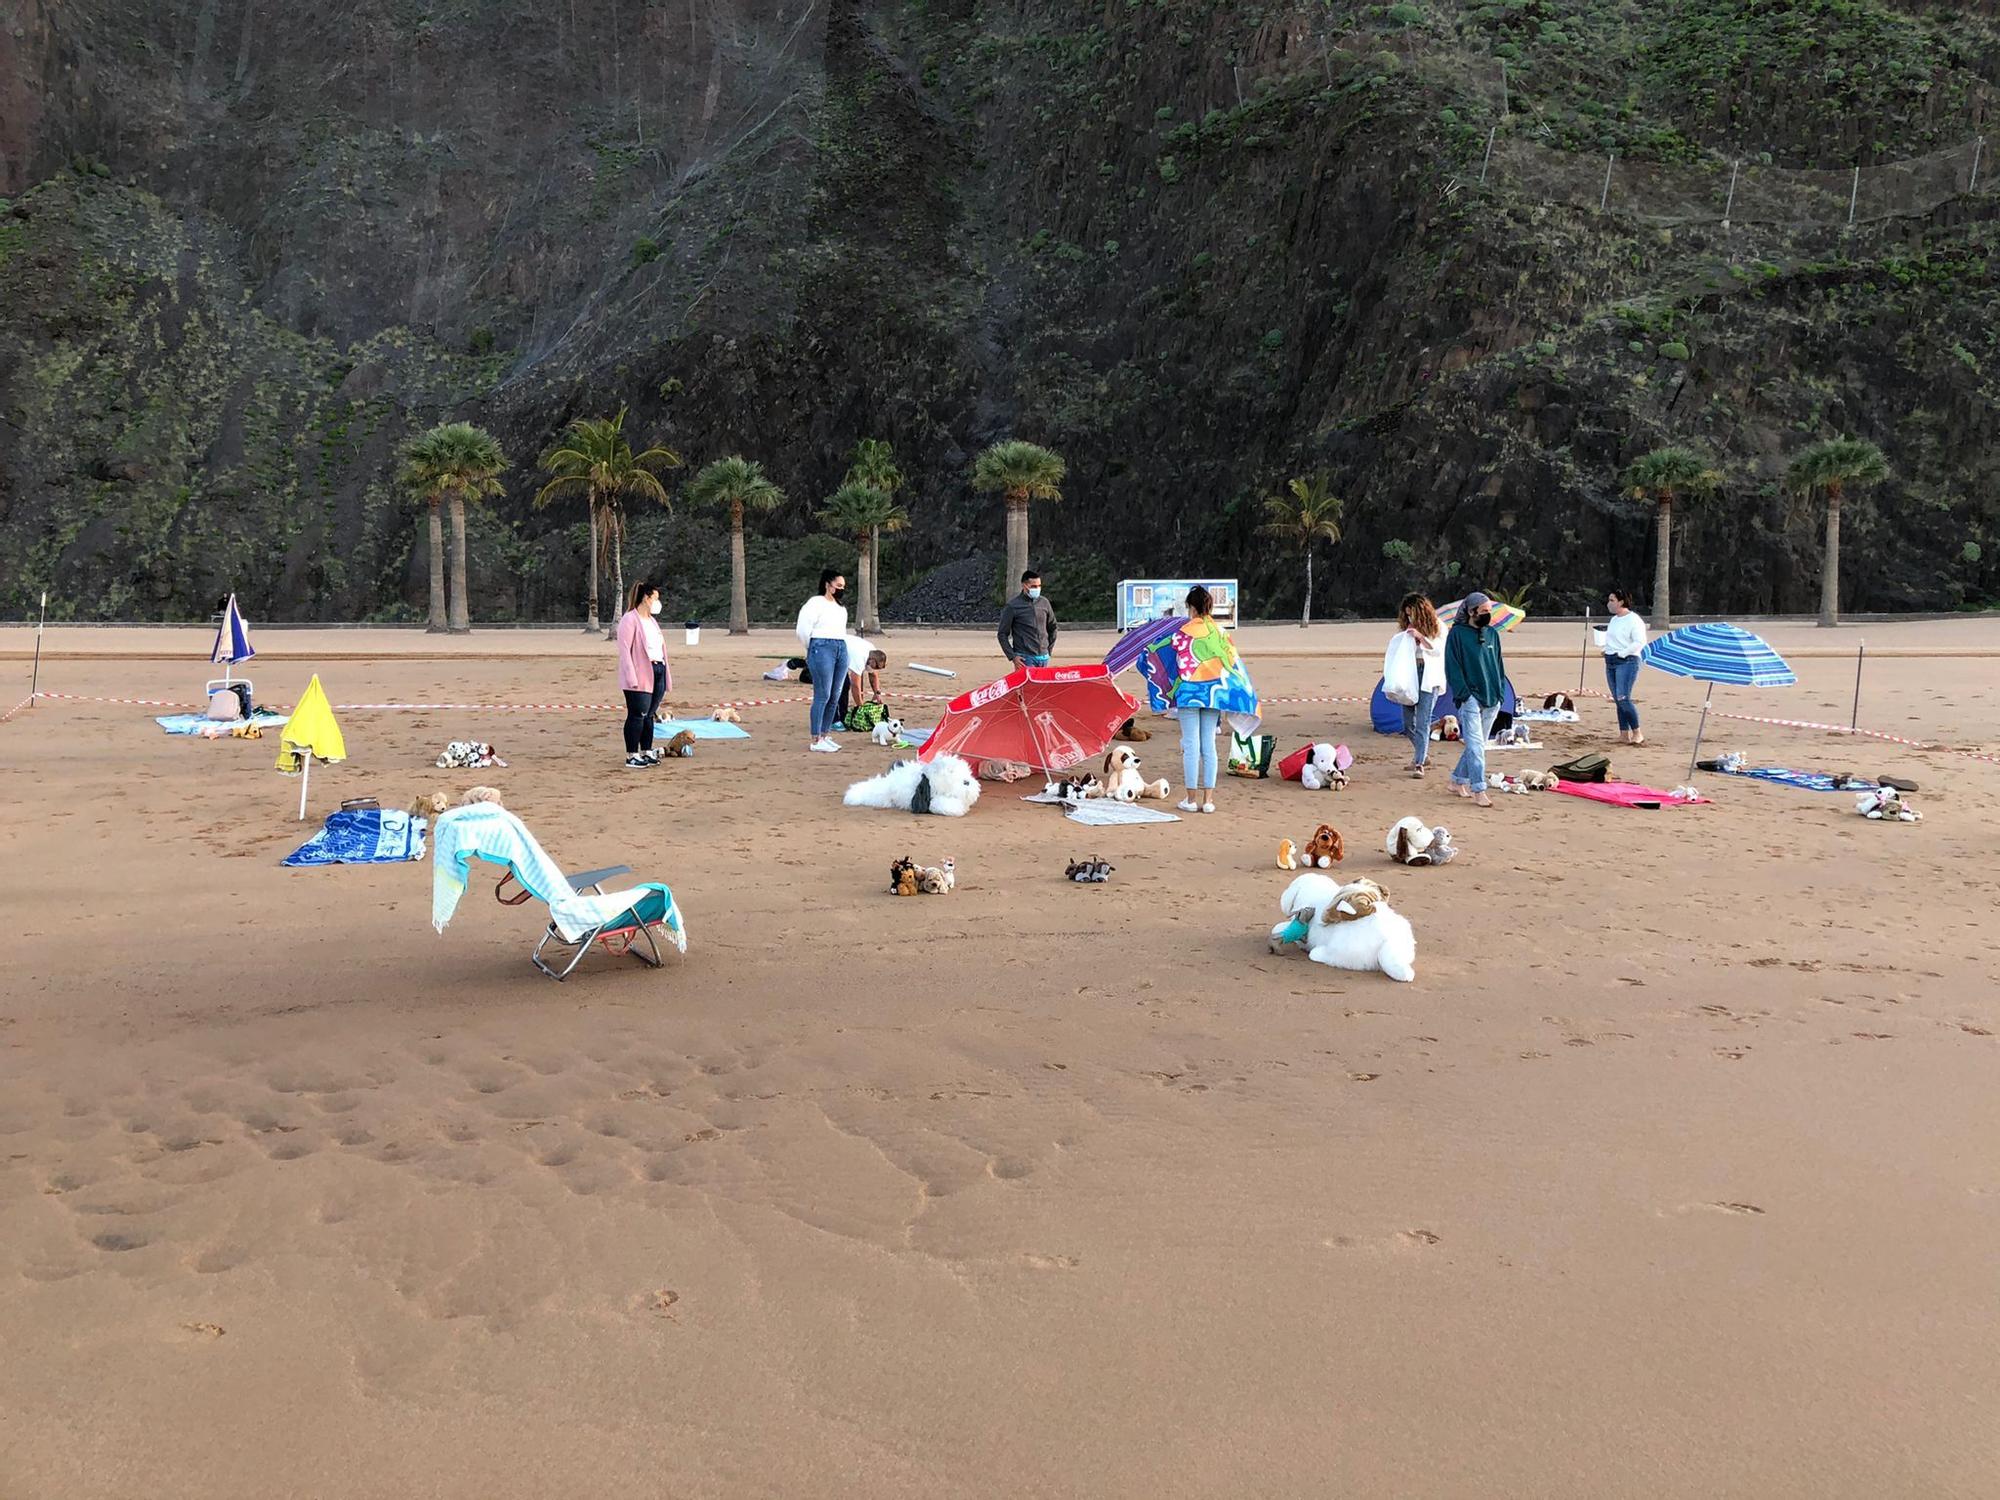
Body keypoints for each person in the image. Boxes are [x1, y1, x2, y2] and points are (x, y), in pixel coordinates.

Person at [1141, 585, 1259, 815]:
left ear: (1191, 607)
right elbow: (1233, 663)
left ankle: (1190, 799)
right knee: (1209, 746)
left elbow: (1167, 655)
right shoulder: (1221, 632)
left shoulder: (1183, 632)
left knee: (1191, 746)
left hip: (1188, 694)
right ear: (1210, 607)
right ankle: (1208, 800)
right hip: (1214, 695)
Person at [1443, 591, 1507, 808]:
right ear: (1471, 611)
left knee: (1476, 744)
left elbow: (1498, 664)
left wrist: (1500, 693)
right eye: (1484, 611)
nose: (1488, 615)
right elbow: (1452, 667)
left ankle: (1456, 781)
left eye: (1490, 611)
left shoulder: (1492, 634)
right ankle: (1478, 788)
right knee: (1476, 745)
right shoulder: (1457, 635)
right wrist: (1464, 694)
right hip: (1469, 697)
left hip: (1492, 697)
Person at [615, 580, 669, 768]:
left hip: (658, 670)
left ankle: (646, 750)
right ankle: (632, 755)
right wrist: (632, 677)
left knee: (650, 714)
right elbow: (625, 651)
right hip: (639, 674)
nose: (657, 602)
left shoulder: (652, 621)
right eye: (655, 598)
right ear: (646, 598)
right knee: (637, 714)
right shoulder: (629, 620)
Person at [796, 568, 849, 752]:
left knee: (835, 694)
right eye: (839, 585)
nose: (841, 589)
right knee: (823, 694)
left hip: (841, 646)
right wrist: (811, 648)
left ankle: (826, 734)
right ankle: (816, 738)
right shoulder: (815, 603)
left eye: (843, 586)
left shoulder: (840, 608)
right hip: (821, 646)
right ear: (828, 584)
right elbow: (803, 629)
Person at [1393, 593, 1446, 780]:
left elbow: (1439, 649)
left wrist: (1420, 637)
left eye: (1412, 614)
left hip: (1428, 675)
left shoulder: (1438, 625)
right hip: (1411, 674)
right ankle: (1422, 753)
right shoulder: (1406, 628)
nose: (1409, 618)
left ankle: (1419, 763)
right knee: (1408, 723)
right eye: (1407, 615)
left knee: (1423, 721)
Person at [1602, 588, 1648, 745]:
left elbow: (1639, 642)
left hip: (1627, 661)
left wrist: (1623, 653)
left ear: (1621, 602)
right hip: (1611, 660)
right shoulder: (1614, 620)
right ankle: (1623, 733)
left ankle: (1637, 732)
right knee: (1617, 699)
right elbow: (1613, 639)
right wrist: (1606, 649)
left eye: (1612, 600)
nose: (1609, 603)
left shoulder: (1633, 620)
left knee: (1623, 698)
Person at [997, 569, 1057, 667]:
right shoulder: (1012, 606)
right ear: (1024, 585)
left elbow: (1053, 626)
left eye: (1039, 586)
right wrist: (1012, 656)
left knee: (1043, 683)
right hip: (1025, 658)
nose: (1037, 589)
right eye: (1033, 586)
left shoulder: (1044, 603)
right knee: (1028, 683)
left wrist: (1048, 650)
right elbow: (1002, 634)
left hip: (1043, 657)